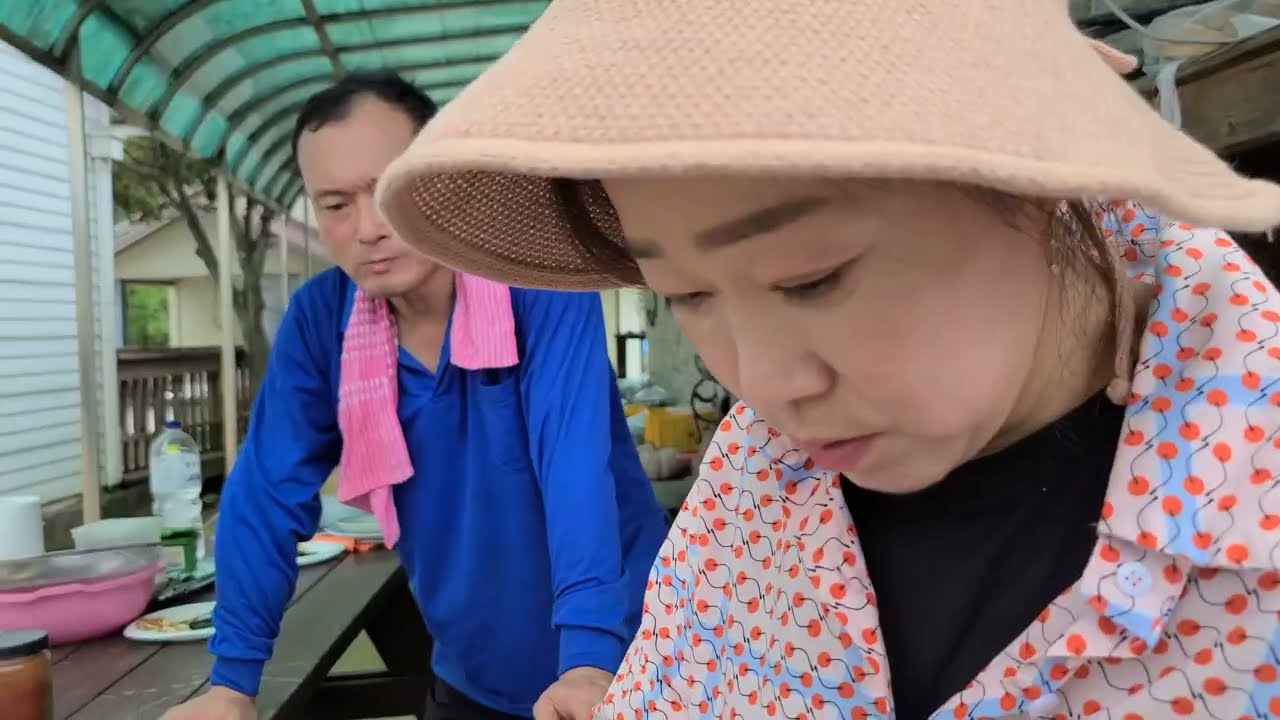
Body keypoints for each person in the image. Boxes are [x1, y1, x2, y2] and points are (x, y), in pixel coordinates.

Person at [372, 2, 1280, 719]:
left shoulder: (1255, 500)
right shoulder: (751, 481)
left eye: (812, 277)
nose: (765, 387)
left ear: (1037, 173)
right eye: (686, 294)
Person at [162, 71, 668, 720]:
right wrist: (232, 684)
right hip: (470, 672)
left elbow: (574, 471)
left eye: (387, 190)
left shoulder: (536, 280)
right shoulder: (322, 323)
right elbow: (265, 494)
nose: (367, 227)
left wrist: (588, 663)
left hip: (627, 660)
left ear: (438, 180)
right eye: (335, 205)